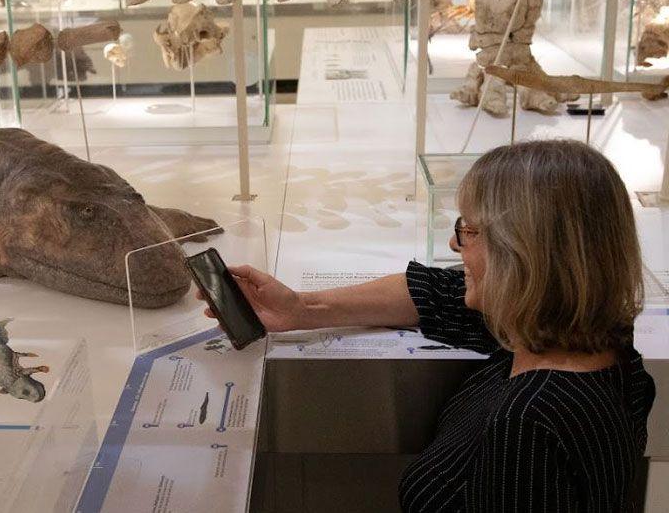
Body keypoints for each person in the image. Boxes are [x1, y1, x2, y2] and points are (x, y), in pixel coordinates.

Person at [199, 139, 656, 512]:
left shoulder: (530, 424)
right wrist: (301, 309)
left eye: (470, 231)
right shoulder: (591, 336)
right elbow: (432, 293)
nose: (456, 245)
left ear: (524, 255)